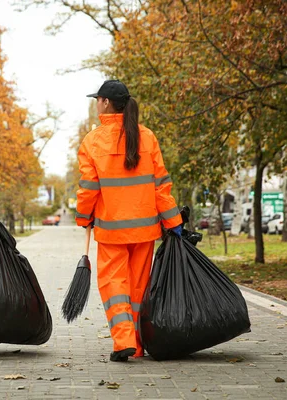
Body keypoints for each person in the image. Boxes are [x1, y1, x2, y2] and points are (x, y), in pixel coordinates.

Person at [75, 80, 183, 362]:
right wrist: (173, 222)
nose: (96, 103)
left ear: (106, 103)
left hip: (111, 232)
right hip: (146, 230)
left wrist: (83, 217)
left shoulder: (93, 140)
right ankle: (136, 345)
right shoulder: (147, 136)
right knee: (138, 288)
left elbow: (88, 187)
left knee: (114, 286)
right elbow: (161, 184)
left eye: (97, 99)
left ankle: (123, 340)